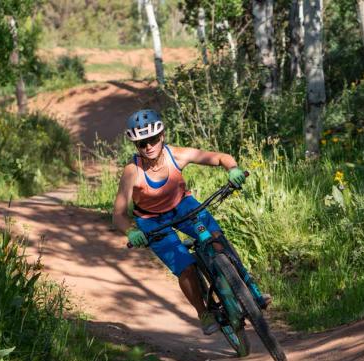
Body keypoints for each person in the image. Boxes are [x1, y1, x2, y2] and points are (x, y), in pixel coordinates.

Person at [112, 109, 269, 335]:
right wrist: (131, 232)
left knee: (217, 240)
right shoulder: (132, 171)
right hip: (151, 220)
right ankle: (203, 313)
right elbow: (118, 214)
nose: (148, 146)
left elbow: (219, 157)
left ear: (162, 136)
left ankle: (251, 290)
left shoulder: (177, 155)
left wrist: (232, 169)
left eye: (152, 139)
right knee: (185, 268)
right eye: (141, 143)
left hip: (183, 206)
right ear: (136, 146)